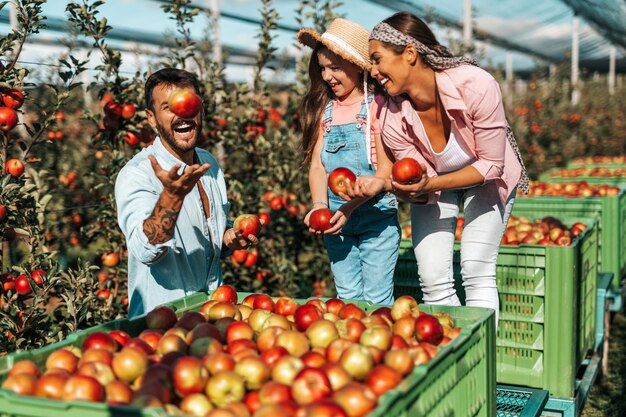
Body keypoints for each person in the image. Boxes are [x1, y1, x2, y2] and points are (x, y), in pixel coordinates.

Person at [347, 12, 529, 323]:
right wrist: (403, 189)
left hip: (488, 175)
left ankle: (482, 358)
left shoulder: (475, 84)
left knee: (476, 269)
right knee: (432, 278)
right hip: (436, 181)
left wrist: (427, 186)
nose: (373, 71)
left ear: (409, 53)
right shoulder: (390, 115)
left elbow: (491, 165)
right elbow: (416, 179)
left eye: (377, 59)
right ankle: (451, 352)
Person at [115, 68, 256, 317]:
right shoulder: (138, 174)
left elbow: (208, 232)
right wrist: (171, 197)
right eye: (169, 107)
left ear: (201, 110)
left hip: (212, 314)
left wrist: (227, 239)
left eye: (189, 105)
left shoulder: (208, 165)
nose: (183, 114)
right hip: (162, 326)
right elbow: (144, 250)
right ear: (151, 118)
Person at [297, 18, 401, 305]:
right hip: (336, 225)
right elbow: (317, 165)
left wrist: (347, 207)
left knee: (378, 300)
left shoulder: (377, 107)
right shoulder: (326, 112)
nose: (327, 76)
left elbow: (384, 170)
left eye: (335, 68)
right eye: (322, 68)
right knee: (348, 300)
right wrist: (319, 204)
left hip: (375, 220)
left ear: (357, 65)